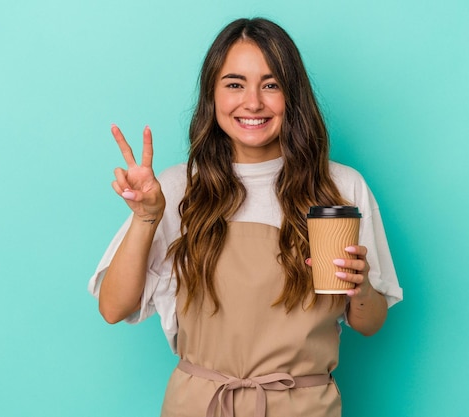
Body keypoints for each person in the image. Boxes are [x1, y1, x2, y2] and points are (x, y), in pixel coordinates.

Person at [88, 17, 403, 417]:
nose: (252, 102)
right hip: (199, 406)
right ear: (212, 95)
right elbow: (114, 308)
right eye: (235, 84)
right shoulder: (175, 187)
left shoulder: (340, 187)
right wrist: (147, 217)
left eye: (270, 85)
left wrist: (360, 290)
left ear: (293, 95)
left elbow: (369, 323)